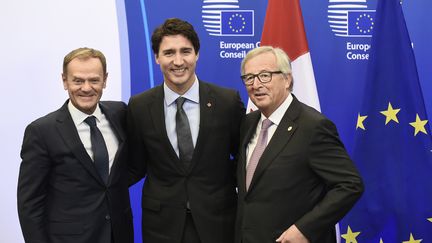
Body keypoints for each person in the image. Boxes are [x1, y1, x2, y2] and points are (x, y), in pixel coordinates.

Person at [127, 18, 245, 243]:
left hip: (218, 221)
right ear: (157, 57)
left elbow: (243, 158)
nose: (178, 61)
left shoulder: (227, 101)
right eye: (169, 53)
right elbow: (135, 165)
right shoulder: (139, 106)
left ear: (197, 54)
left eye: (185, 51)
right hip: (162, 225)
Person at [235, 46, 364, 243]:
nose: (256, 84)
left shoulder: (313, 127)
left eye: (265, 75)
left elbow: (350, 185)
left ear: (287, 79)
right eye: (249, 78)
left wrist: (305, 229)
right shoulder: (247, 124)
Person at [17, 47, 133, 243]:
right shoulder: (41, 131)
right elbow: (30, 204)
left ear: (105, 80)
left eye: (94, 80)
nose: (86, 88)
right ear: (65, 81)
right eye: (78, 80)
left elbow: (127, 169)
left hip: (119, 235)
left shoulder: (119, 113)